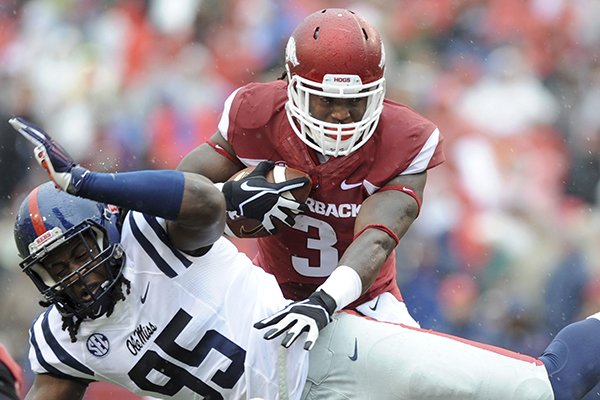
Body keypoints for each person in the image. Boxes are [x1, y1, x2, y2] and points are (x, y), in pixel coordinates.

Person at [9, 121, 600, 400]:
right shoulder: (63, 340)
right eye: (55, 268)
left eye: (78, 252)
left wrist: (93, 183)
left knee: (537, 391)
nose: (73, 275)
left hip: (323, 351)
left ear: (106, 228)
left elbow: (204, 199)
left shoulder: (151, 237)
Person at [177, 8, 444, 342]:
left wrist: (323, 302)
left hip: (367, 300)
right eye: (326, 99)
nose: (342, 114)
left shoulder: (406, 139)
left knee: (412, 381)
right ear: (292, 89)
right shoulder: (257, 114)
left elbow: (376, 238)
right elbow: (183, 187)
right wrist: (227, 197)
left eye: (355, 101)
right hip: (267, 289)